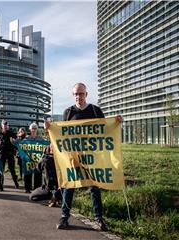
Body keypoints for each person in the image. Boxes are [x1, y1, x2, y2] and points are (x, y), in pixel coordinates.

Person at [44, 82, 123, 231]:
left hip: (92, 158)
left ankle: (99, 218)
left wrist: (116, 123)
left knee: (95, 187)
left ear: (86, 94)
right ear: (73, 95)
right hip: (73, 157)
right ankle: (64, 217)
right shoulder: (68, 112)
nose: (78, 96)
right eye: (76, 94)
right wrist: (49, 129)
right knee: (69, 186)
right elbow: (61, 134)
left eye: (81, 93)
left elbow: (105, 130)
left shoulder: (95, 110)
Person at [0, 120, 19, 191]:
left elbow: (17, 141)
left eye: (6, 125)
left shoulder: (11, 133)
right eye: (4, 125)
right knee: (0, 170)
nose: (5, 126)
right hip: (2, 154)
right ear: (2, 126)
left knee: (12, 170)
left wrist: (14, 142)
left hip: (10, 154)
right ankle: (0, 186)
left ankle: (16, 182)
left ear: (7, 126)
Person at [25, 123, 44, 192]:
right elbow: (22, 146)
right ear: (30, 129)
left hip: (37, 159)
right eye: (32, 128)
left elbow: (44, 146)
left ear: (37, 129)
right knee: (28, 173)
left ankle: (37, 189)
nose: (33, 130)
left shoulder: (40, 138)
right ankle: (27, 188)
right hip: (29, 158)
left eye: (35, 128)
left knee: (38, 174)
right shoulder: (27, 138)